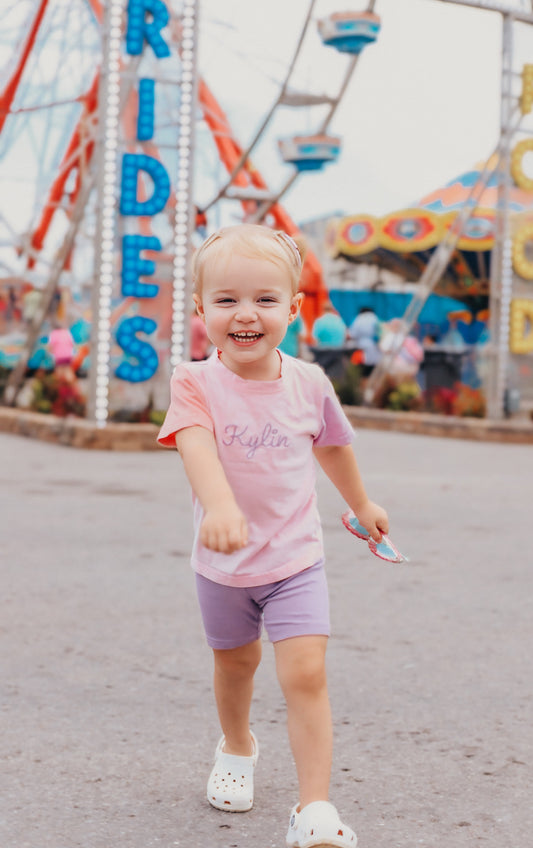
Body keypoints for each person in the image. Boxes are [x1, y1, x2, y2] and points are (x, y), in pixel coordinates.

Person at [158, 224, 388, 848]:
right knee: (236, 665)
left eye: (265, 299)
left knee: (306, 672)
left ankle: (313, 807)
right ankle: (238, 747)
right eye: (227, 299)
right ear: (201, 309)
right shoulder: (193, 381)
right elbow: (196, 447)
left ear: (293, 308)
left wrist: (361, 503)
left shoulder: (309, 382)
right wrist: (221, 507)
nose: (246, 314)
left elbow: (333, 446)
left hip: (295, 560)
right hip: (222, 563)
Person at [347, 306, 381, 377]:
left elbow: (353, 334)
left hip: (361, 347)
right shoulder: (375, 319)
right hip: (374, 346)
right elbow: (379, 333)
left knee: (362, 370)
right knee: (372, 370)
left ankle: (362, 384)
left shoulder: (359, 319)